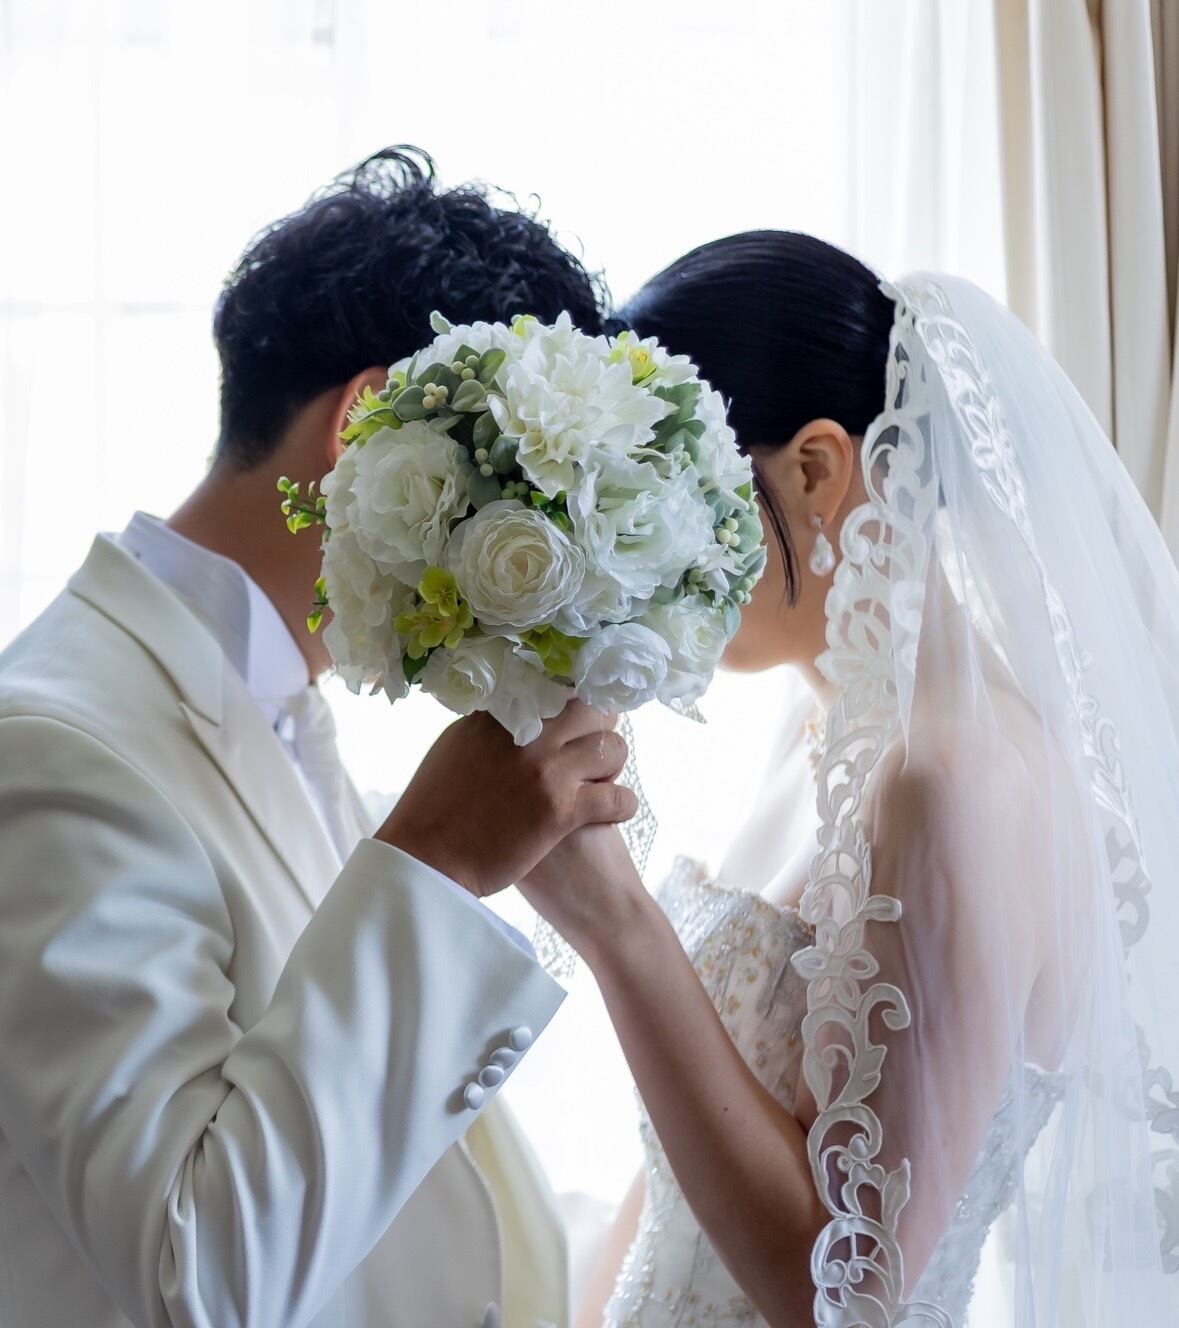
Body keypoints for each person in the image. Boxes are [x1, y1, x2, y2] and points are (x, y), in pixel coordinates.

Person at [0, 146, 637, 1328]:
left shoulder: (282, 696)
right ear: (369, 423)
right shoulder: (53, 746)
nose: (544, 557)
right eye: (535, 487)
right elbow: (195, 1274)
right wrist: (437, 864)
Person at [518, 232, 1179, 1326]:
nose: (636, 559)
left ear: (815, 469)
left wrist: (616, 925)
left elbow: (846, 1292)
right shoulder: (814, 730)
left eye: (664, 498)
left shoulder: (953, 786)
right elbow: (682, 1174)